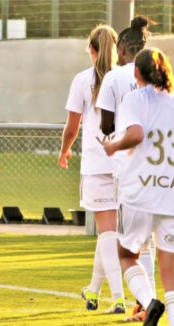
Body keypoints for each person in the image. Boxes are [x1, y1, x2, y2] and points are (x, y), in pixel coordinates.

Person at [103, 48, 174, 326]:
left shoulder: (133, 100)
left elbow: (135, 134)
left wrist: (112, 145)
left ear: (137, 73)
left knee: (127, 254)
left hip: (141, 191)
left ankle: (149, 303)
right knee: (170, 270)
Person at [58, 25, 126, 314]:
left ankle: (120, 297)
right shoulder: (126, 79)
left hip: (97, 164)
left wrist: (64, 150)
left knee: (107, 232)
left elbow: (72, 126)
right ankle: (93, 290)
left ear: (92, 49)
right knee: (108, 234)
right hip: (125, 164)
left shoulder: (82, 80)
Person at [96, 15, 157, 322]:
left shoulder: (114, 78)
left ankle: (147, 302)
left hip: (128, 168)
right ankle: (146, 302)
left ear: (121, 48)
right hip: (157, 168)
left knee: (129, 246)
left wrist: (111, 133)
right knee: (148, 241)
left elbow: (106, 124)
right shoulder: (156, 76)